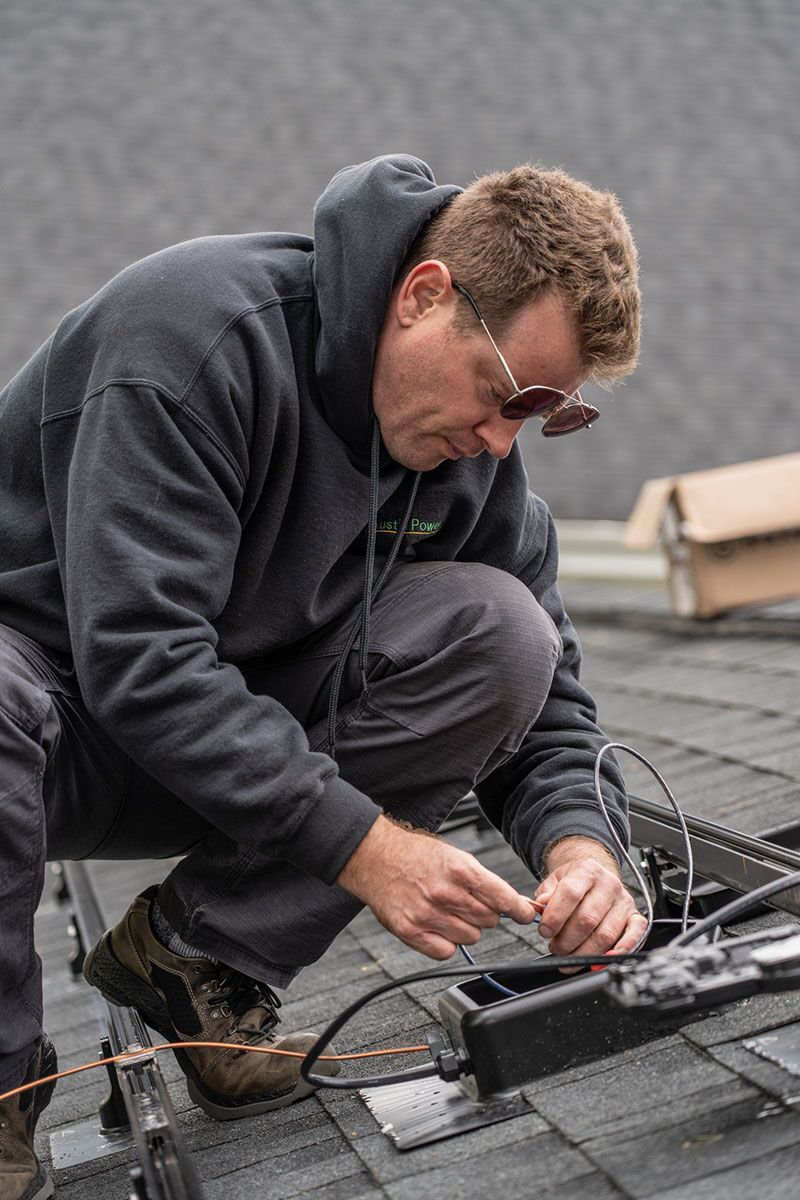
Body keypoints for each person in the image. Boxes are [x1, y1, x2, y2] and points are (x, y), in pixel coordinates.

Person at [0, 153, 643, 1197]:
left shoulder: (467, 462)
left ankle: (198, 962)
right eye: (502, 395)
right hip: (52, 733)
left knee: (503, 633)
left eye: (540, 413)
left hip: (226, 758)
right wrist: (365, 846)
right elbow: (142, 658)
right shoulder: (193, 341)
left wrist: (582, 849)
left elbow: (550, 704)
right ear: (423, 296)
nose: (498, 440)